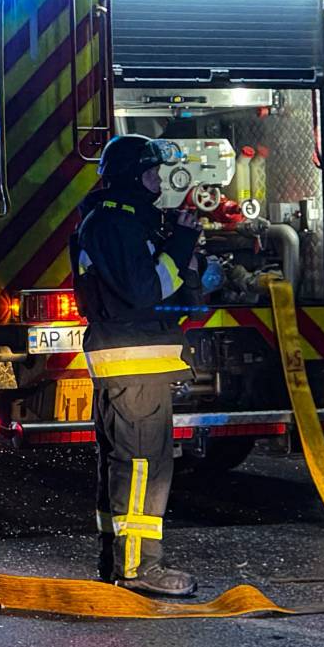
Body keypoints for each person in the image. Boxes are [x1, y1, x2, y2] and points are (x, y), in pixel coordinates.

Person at [68, 133, 203, 598]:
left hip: (128, 360)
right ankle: (139, 569)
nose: (156, 182)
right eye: (150, 173)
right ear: (130, 176)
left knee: (123, 462)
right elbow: (144, 290)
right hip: (135, 361)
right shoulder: (115, 225)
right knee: (144, 465)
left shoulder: (112, 221)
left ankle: (117, 561)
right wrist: (182, 242)